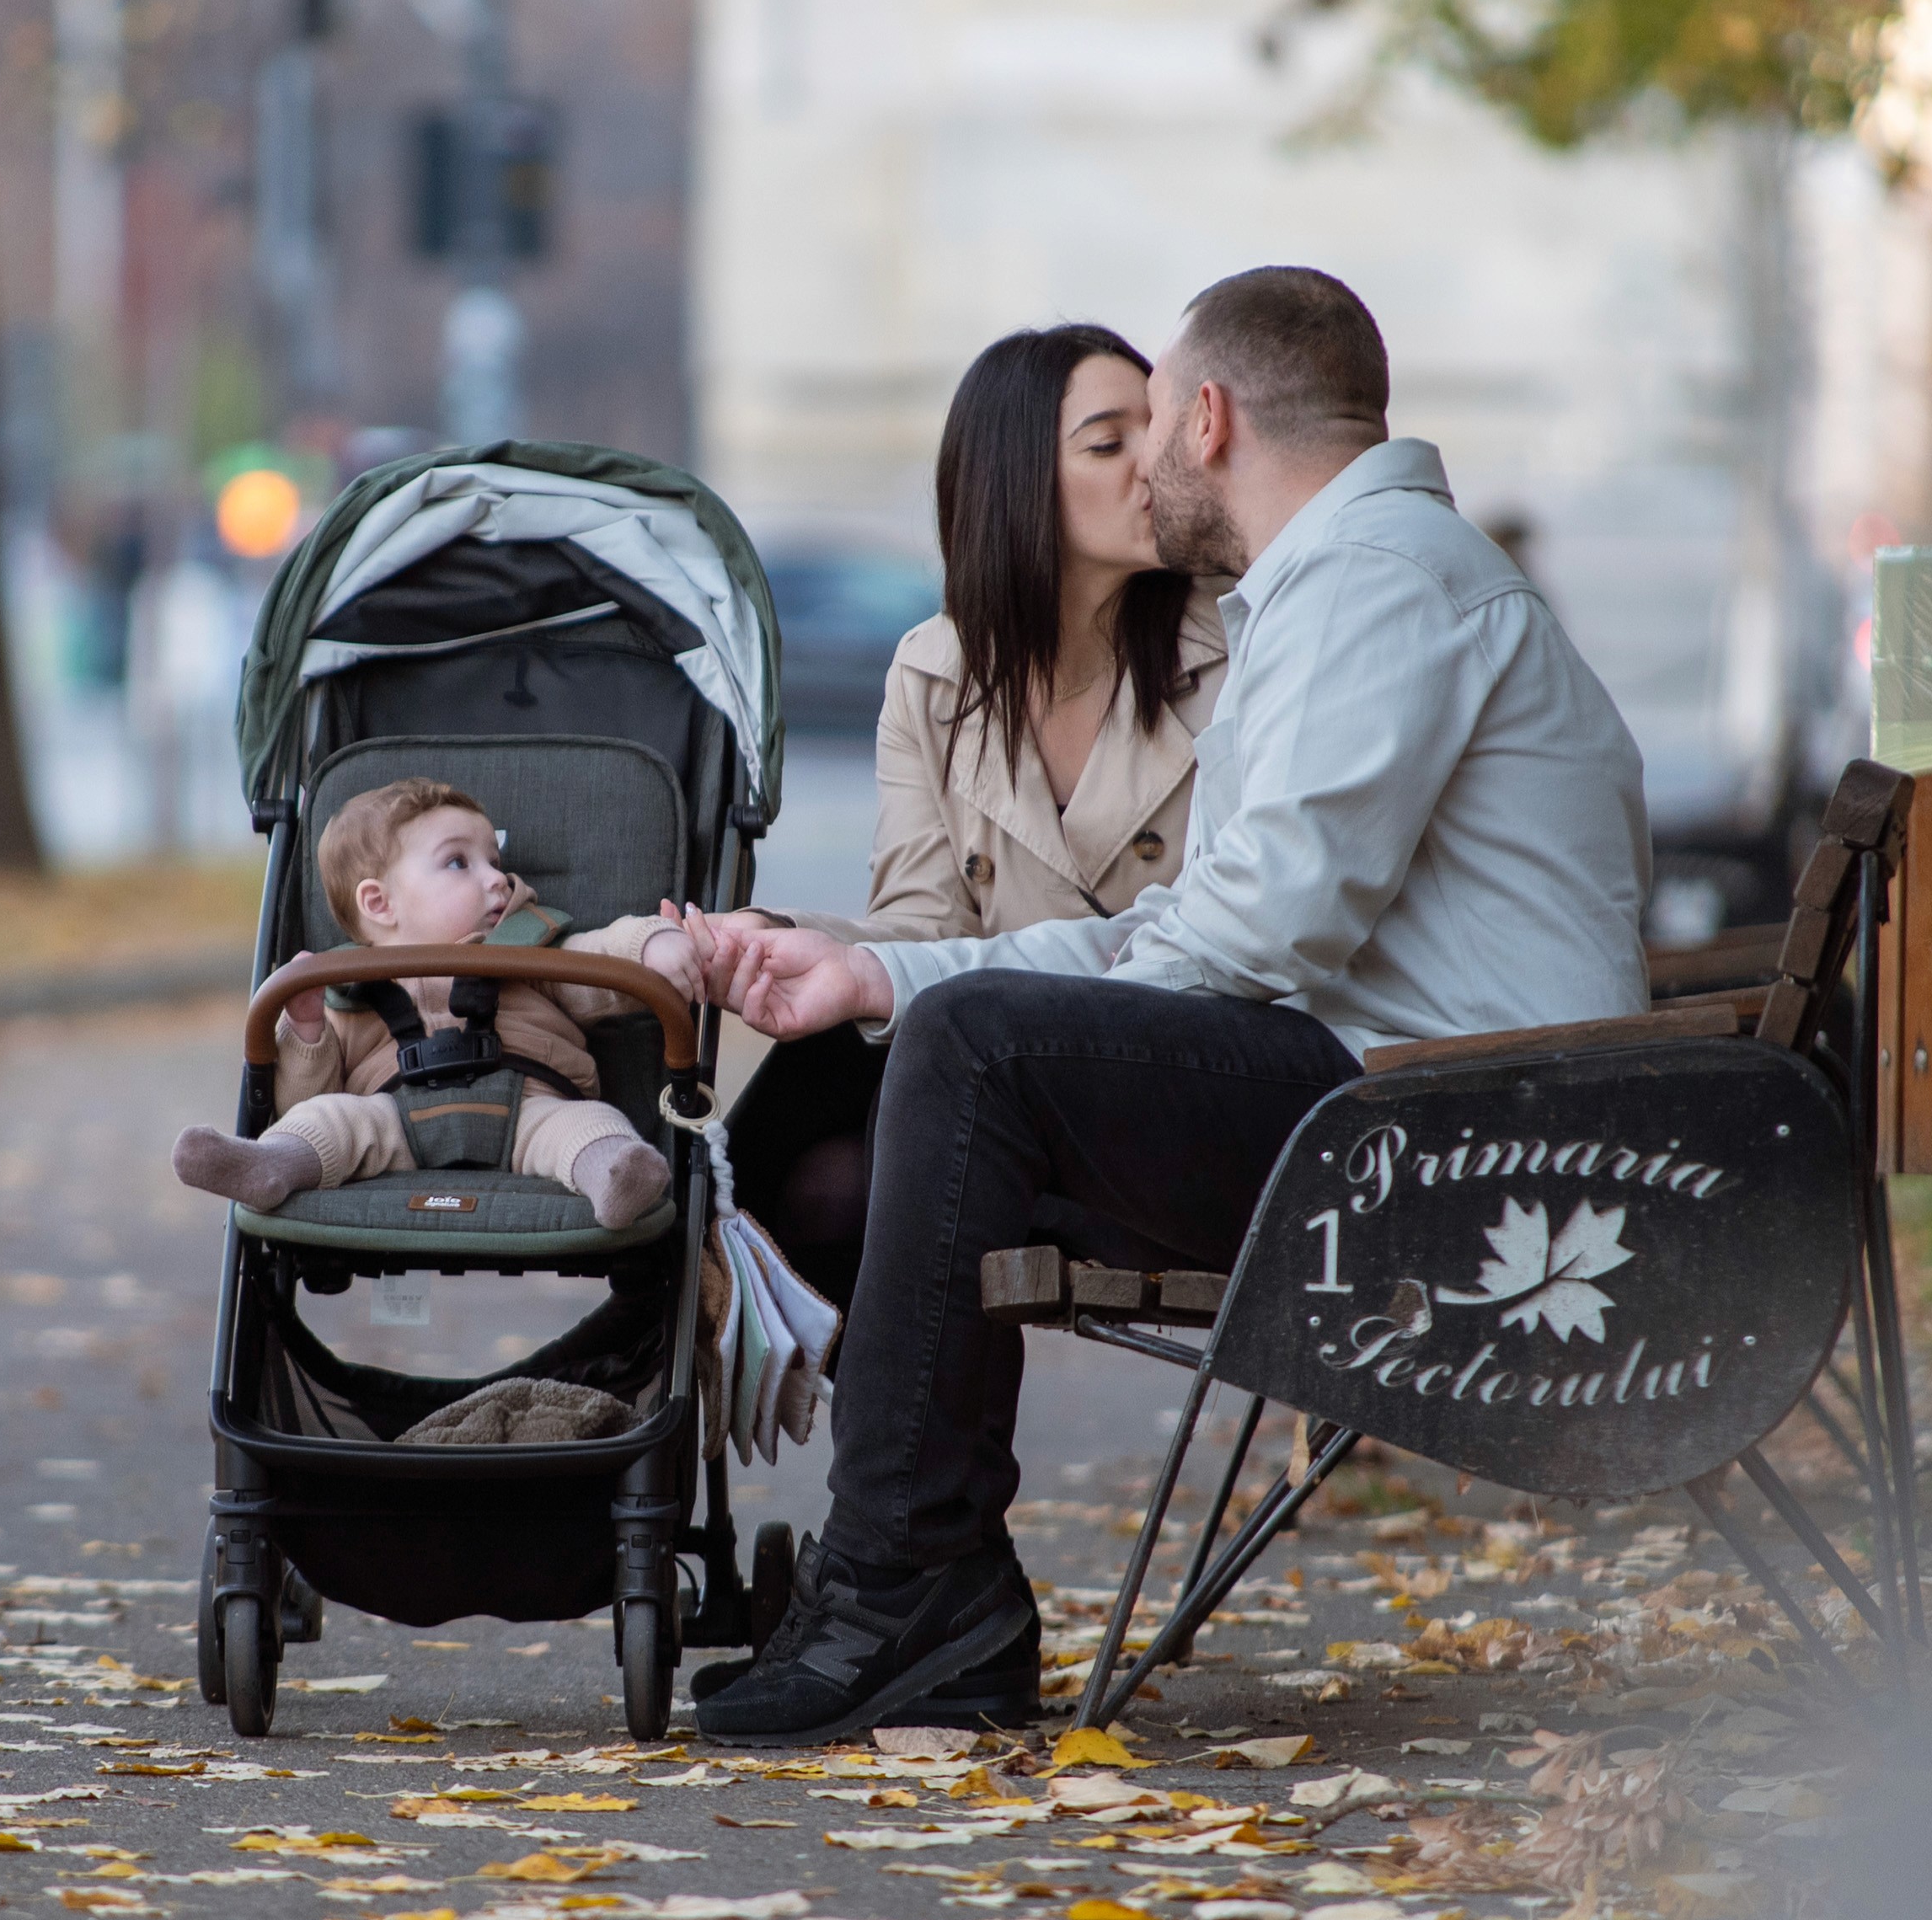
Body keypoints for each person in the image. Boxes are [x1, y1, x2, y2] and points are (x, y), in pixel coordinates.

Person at [683, 267, 1652, 1746]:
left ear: (1207, 421)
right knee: (942, 1053)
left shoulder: (1375, 580)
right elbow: (1213, 920)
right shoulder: (1349, 579)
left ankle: (906, 1588)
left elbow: (1261, 923)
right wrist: (887, 974)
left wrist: (1019, 1028)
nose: (1143, 463)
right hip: (1429, 1102)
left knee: (978, 1054)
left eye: (1149, 424)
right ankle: (907, 1585)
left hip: (1465, 1143)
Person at [726, 323, 1229, 1310]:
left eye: (1158, 428)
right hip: (1002, 1076)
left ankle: (637, 1360)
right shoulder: (936, 671)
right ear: (1015, 483)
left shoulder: (1233, 651)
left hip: (1173, 1081)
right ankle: (678, 1347)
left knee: (882, 1113)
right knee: (827, 1108)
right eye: (1108, 442)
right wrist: (767, 938)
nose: (1153, 464)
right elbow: (921, 925)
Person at [171, 779, 704, 1230]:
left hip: (531, 1107)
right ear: (379, 902)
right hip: (392, 1120)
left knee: (588, 1125)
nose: (497, 878)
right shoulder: (348, 986)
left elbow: (601, 958)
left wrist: (650, 945)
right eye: (458, 862)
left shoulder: (528, 951)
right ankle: (271, 1163)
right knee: (327, 1119)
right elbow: (305, 1096)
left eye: (494, 861)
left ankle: (615, 1176)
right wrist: (307, 1027)